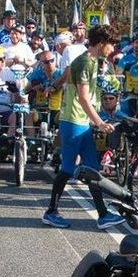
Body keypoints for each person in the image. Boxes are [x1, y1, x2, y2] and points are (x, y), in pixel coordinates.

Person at [40, 24, 123, 229]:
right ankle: (51, 211)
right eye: (111, 45)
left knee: (92, 169)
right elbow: (84, 98)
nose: (112, 49)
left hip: (81, 121)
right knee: (68, 168)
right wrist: (100, 122)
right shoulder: (85, 63)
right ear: (102, 43)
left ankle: (103, 214)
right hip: (74, 121)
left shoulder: (92, 61)